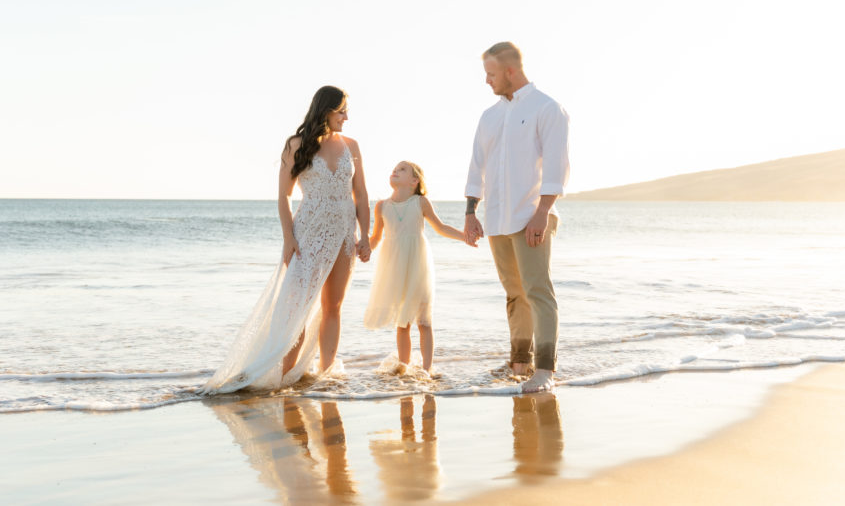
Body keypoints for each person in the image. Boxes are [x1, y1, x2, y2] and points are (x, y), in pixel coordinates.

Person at [200, 86, 371, 394]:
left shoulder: (352, 145)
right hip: (308, 233)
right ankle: (284, 378)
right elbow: (284, 196)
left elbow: (361, 195)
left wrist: (366, 236)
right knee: (298, 309)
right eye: (342, 110)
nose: (346, 117)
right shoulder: (296, 144)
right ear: (326, 110)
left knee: (333, 305)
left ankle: (326, 373)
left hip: (345, 234)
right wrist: (288, 238)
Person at [464, 42, 570, 393]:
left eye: (491, 74)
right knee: (514, 293)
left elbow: (557, 167)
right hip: (496, 218)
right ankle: (519, 362)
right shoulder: (489, 116)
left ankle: (544, 371)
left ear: (510, 71)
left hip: (530, 216)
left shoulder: (547, 108)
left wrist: (542, 213)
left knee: (538, 291)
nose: (487, 81)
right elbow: (477, 166)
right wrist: (470, 212)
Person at [363, 161, 465, 372]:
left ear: (414, 181)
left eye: (402, 169)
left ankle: (427, 370)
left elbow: (441, 227)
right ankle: (404, 368)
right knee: (402, 322)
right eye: (394, 169)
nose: (395, 171)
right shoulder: (382, 206)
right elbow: (375, 238)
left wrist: (464, 237)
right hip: (394, 267)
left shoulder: (420, 202)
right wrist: (362, 248)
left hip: (418, 265)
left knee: (423, 320)